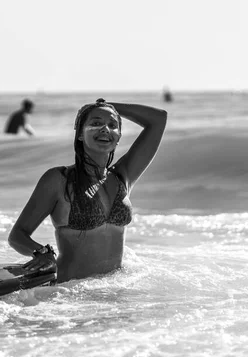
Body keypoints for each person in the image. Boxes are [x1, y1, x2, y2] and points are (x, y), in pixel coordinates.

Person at [8, 98, 167, 283]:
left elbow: (158, 119)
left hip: (116, 291)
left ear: (118, 137)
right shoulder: (59, 180)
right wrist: (42, 253)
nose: (105, 129)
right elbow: (17, 235)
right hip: (72, 295)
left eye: (112, 125)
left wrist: (109, 106)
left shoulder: (122, 177)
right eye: (96, 123)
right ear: (81, 134)